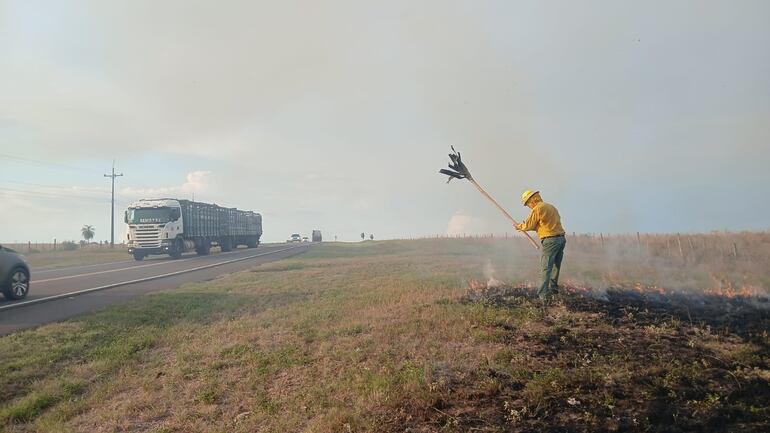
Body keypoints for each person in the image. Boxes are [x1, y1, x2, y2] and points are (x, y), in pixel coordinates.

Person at [515, 190, 566, 299]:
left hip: (550, 241)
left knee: (545, 268)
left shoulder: (537, 208)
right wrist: (524, 226)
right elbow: (539, 225)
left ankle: (543, 295)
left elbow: (529, 225)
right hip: (561, 239)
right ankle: (554, 289)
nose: (528, 206)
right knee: (556, 266)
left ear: (532, 200)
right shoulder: (550, 207)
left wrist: (520, 226)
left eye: (527, 203)